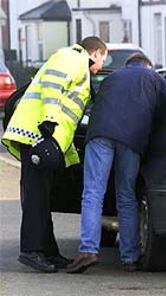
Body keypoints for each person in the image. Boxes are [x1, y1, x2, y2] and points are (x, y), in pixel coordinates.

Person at [1, 37, 107, 273]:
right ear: (97, 52)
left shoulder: (77, 64)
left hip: (44, 137)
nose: (101, 66)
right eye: (103, 59)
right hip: (38, 134)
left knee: (42, 197)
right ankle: (32, 251)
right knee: (36, 197)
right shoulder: (73, 57)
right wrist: (48, 121)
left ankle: (48, 251)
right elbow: (51, 85)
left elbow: (68, 115)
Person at [66, 52, 166, 273]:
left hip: (100, 134)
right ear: (148, 65)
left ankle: (88, 251)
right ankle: (130, 257)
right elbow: (162, 118)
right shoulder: (156, 80)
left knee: (93, 192)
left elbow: (95, 105)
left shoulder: (111, 77)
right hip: (132, 140)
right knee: (126, 195)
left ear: (127, 65)